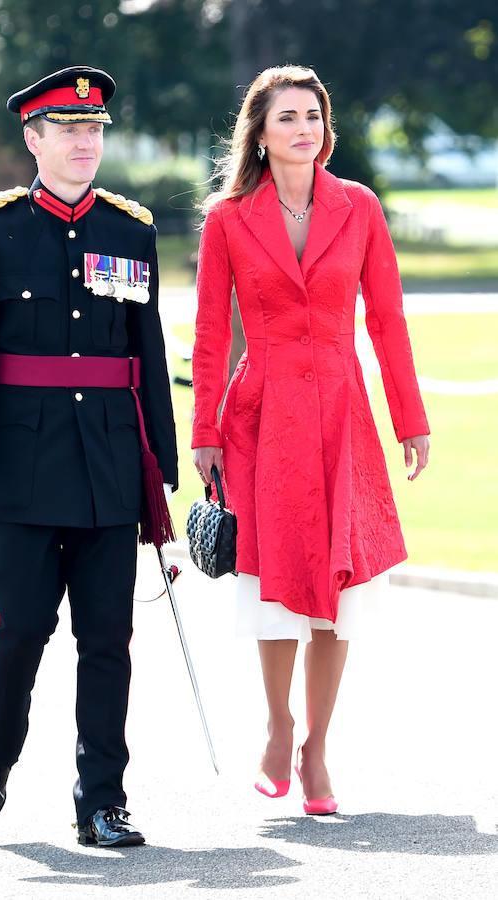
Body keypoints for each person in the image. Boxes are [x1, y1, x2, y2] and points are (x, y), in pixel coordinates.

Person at [0, 65, 178, 847]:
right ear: (33, 139)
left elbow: (146, 350)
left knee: (107, 638)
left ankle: (101, 798)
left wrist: (162, 471)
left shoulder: (129, 228)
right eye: (68, 130)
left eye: (94, 129)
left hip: (109, 467)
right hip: (19, 467)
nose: (84, 142)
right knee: (24, 627)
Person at [191, 64, 430, 814]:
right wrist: (202, 432)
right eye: (286, 117)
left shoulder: (358, 208)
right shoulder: (228, 218)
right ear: (258, 135)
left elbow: (387, 320)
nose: (303, 129)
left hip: (339, 418)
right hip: (258, 418)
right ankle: (276, 723)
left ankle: (315, 750)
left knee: (339, 589)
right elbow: (205, 333)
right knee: (273, 584)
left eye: (312, 116)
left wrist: (410, 419)